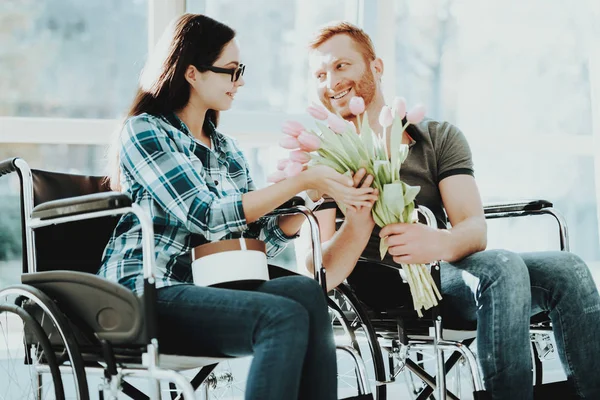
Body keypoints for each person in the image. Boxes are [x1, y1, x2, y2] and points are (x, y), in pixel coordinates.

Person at [303, 21, 600, 399]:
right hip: (374, 289)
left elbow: (474, 230)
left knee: (569, 269)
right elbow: (319, 273)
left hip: (440, 276)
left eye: (342, 66)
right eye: (320, 74)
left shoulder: (437, 138)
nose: (331, 82)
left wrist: (436, 243)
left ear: (376, 67)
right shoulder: (320, 158)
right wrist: (361, 222)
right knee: (502, 266)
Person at [99, 14, 377, 400]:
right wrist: (300, 182)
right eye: (231, 71)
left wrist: (310, 196)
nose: (240, 81)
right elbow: (206, 214)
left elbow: (258, 235)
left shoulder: (225, 148)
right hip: (150, 290)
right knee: (279, 317)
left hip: (212, 284)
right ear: (192, 73)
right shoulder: (146, 130)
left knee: (306, 292)